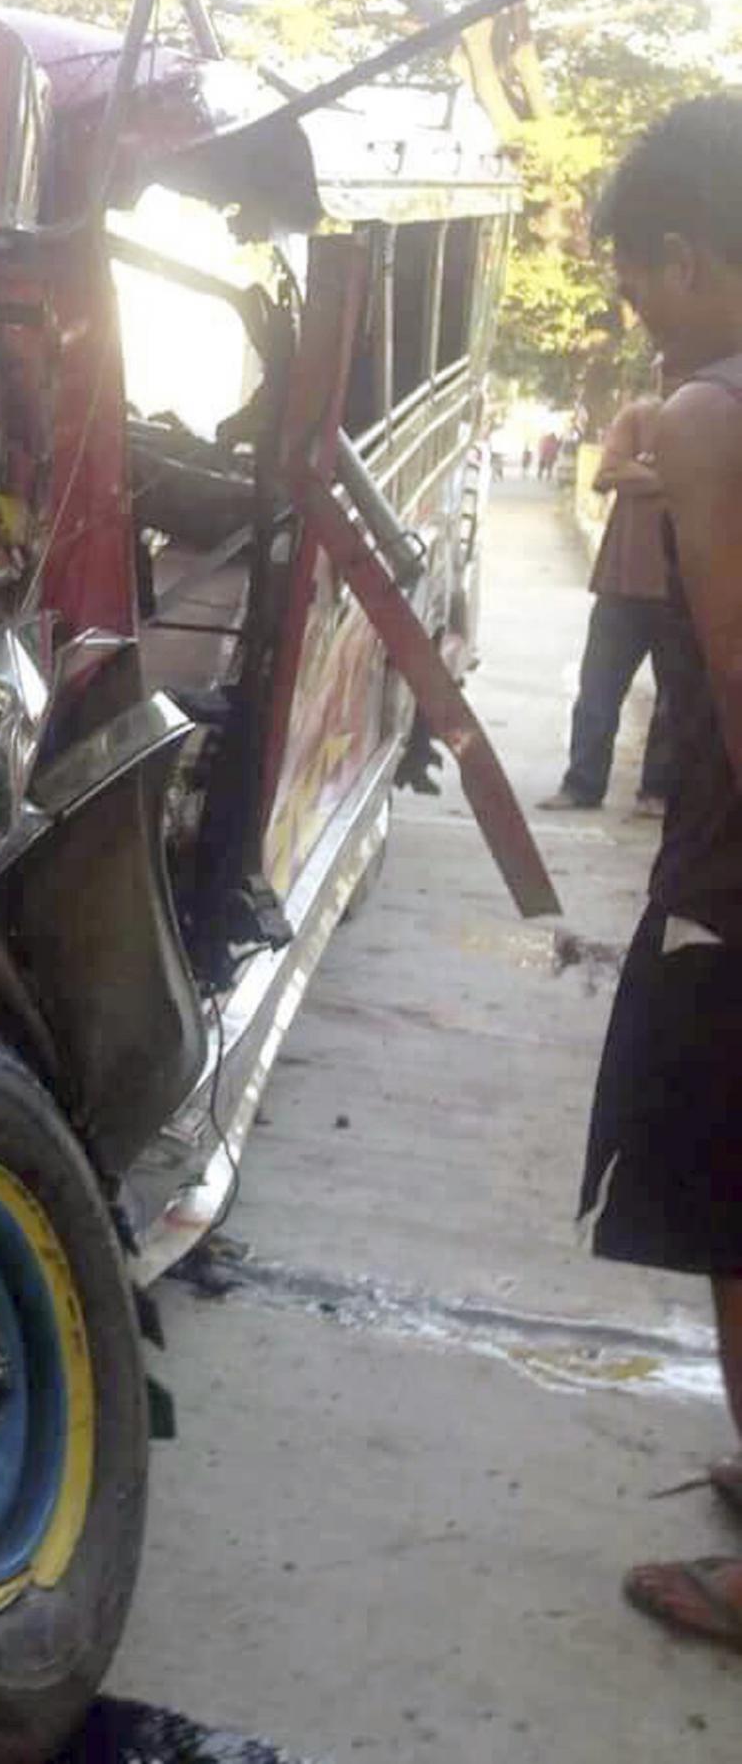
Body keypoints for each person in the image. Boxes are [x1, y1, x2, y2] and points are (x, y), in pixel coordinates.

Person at [573, 94, 742, 1653]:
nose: (641, 318)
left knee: (732, 1209)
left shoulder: (708, 412)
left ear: (686, 254)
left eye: (635, 284)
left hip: (738, 887)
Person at [539, 375, 677, 815]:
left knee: (675, 699)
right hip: (623, 585)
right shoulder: (641, 415)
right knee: (598, 691)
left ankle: (656, 792)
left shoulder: (714, 418)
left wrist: (647, 471)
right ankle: (582, 785)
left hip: (682, 591)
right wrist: (673, 478)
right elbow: (609, 472)